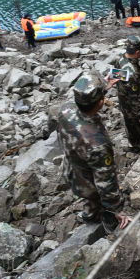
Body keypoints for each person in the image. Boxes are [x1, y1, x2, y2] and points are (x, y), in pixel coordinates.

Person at [57, 71, 131, 232]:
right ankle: (101, 225)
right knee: (96, 201)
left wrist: (102, 88)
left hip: (71, 169)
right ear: (100, 103)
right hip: (89, 183)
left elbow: (72, 105)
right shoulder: (97, 144)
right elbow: (105, 182)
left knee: (89, 203)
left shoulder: (65, 109)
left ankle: (89, 216)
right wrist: (117, 209)